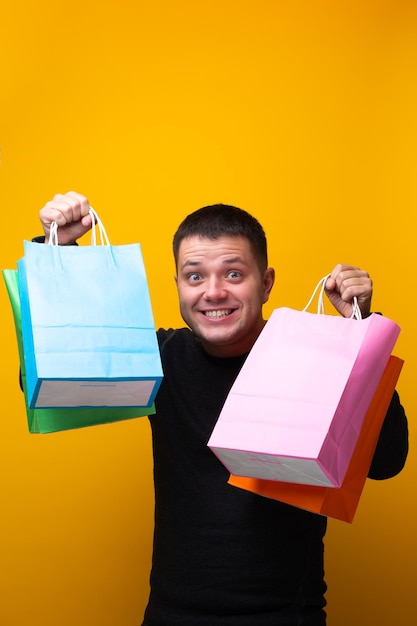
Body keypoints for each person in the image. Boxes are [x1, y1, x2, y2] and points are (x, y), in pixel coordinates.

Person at [36, 191, 408, 626]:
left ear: (266, 283)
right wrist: (56, 252)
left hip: (287, 616)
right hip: (172, 615)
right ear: (177, 284)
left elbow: (386, 461)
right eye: (194, 277)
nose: (213, 292)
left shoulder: (315, 358)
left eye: (233, 273)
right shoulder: (159, 359)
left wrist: (360, 333)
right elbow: (54, 381)